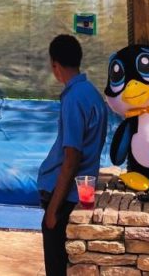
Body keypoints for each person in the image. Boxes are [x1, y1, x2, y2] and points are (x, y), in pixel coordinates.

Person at [37, 34, 108, 276]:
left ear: (55, 65)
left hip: (66, 196)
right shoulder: (92, 94)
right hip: (83, 190)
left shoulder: (74, 98)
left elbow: (71, 158)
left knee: (57, 265)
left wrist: (53, 210)